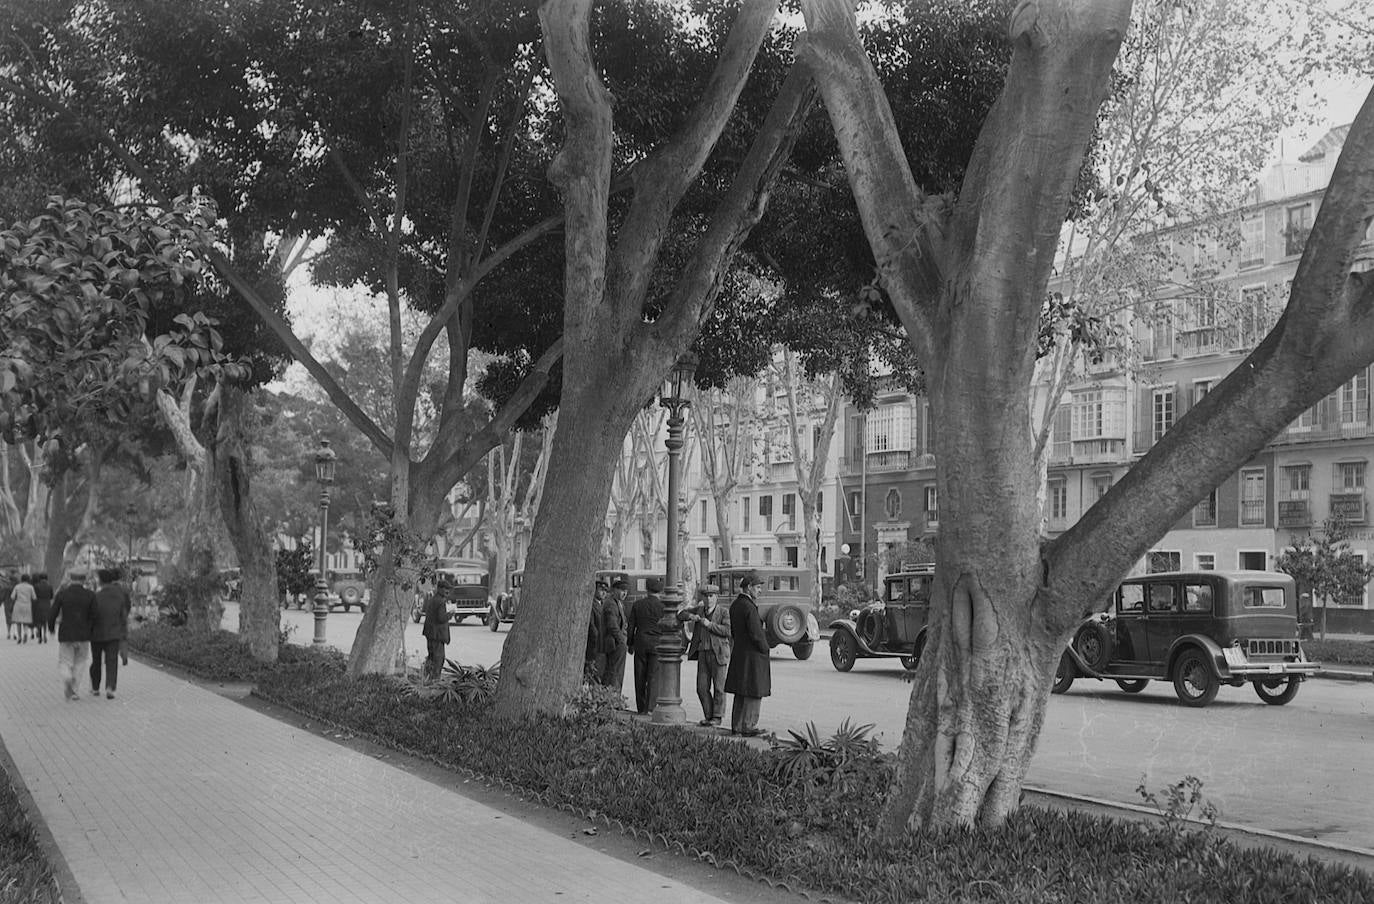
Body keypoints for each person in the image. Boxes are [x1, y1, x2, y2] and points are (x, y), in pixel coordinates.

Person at [725, 571, 770, 737]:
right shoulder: (749, 607)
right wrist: (765, 648)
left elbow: (735, 632)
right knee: (753, 691)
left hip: (740, 653)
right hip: (753, 656)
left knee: (740, 691)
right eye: (757, 587)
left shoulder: (735, 605)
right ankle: (749, 726)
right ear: (749, 587)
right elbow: (756, 634)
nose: (760, 591)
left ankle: (736, 726)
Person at [680, 583, 731, 727]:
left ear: (716, 597)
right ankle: (708, 716)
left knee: (719, 687)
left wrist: (710, 625)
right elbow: (681, 614)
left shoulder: (723, 612)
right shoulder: (700, 609)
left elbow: (727, 631)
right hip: (703, 653)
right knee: (701, 687)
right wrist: (691, 616)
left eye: (711, 596)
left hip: (718, 653)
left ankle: (717, 717)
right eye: (706, 596)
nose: (709, 599)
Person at [48, 571, 97, 701]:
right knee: (80, 662)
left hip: (66, 633)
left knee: (65, 661)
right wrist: (91, 631)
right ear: (84, 580)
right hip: (83, 635)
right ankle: (74, 691)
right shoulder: (90, 595)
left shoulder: (62, 594)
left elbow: (53, 613)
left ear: (70, 579)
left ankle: (67, 677)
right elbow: (94, 616)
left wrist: (51, 628)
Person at [90, 568, 132, 699]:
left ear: (100, 581)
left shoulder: (96, 596)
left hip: (96, 635)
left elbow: (91, 616)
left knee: (96, 661)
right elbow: (123, 617)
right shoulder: (119, 596)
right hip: (114, 634)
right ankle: (110, 687)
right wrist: (124, 634)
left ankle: (95, 687)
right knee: (111, 661)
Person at [626, 576, 665, 715]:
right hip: (657, 643)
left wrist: (630, 644)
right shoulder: (663, 606)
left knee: (640, 675)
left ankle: (641, 707)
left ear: (647, 589)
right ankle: (650, 707)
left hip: (641, 642)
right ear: (659, 591)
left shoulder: (638, 605)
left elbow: (631, 626)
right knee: (653, 677)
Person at [599, 577, 629, 692]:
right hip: (614, 644)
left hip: (617, 643)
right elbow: (612, 625)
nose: (624, 593)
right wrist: (622, 640)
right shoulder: (611, 604)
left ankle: (613, 697)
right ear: (614, 590)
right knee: (613, 672)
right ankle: (611, 697)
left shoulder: (618, 603)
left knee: (616, 671)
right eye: (622, 590)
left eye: (626, 590)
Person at [420, 585, 450, 679]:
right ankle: (435, 679)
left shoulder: (432, 599)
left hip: (430, 633)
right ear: (440, 589)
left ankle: (426, 676)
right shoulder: (441, 602)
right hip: (436, 635)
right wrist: (450, 614)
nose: (447, 592)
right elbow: (441, 618)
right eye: (445, 589)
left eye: (448, 590)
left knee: (431, 656)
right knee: (438, 658)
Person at [584, 580, 609, 683]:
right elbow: (592, 626)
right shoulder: (591, 605)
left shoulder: (604, 605)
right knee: (594, 673)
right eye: (601, 590)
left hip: (603, 646)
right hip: (595, 645)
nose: (604, 593)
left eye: (605, 591)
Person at [10, 573, 35, 644]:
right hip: (27, 605)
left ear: (21, 579)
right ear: (28, 579)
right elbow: (34, 597)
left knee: (18, 622)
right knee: (25, 622)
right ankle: (26, 633)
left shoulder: (17, 586)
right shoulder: (31, 587)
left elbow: (12, 596)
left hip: (18, 605)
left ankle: (19, 637)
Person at [31, 573, 53, 644]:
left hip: (38, 604)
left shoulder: (36, 586)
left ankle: (40, 636)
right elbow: (51, 596)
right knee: (45, 621)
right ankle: (45, 635)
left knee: (39, 621)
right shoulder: (50, 586)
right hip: (47, 604)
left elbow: (34, 596)